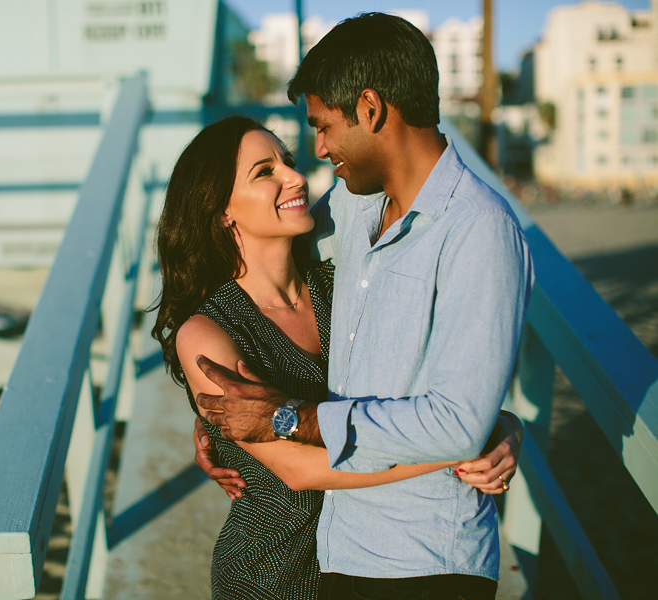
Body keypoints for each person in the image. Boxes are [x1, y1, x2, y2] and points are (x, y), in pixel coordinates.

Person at [194, 13, 533, 600]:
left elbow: (458, 421)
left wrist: (285, 418)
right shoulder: (352, 210)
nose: (319, 150)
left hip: (426, 561)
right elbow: (257, 262)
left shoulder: (478, 229)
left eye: (323, 128)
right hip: (341, 546)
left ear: (371, 110)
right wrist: (211, 412)